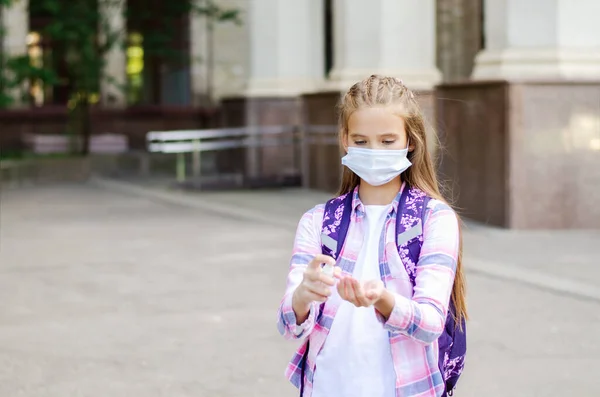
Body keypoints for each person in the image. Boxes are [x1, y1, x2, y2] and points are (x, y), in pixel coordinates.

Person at [276, 75, 467, 397]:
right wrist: (303, 295)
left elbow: (431, 323)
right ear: (344, 139)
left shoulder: (434, 219)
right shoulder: (318, 221)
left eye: (388, 140)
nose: (374, 150)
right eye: (361, 141)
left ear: (411, 140)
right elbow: (288, 325)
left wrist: (382, 299)